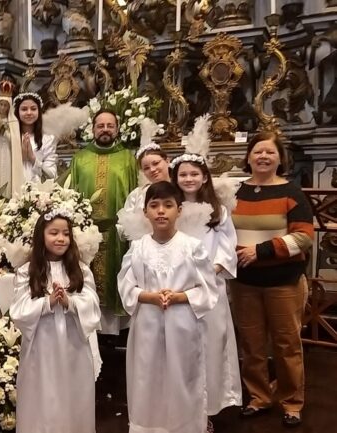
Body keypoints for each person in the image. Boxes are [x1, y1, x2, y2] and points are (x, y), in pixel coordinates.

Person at [117, 181, 218, 433]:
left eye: (168, 205)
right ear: (145, 212)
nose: (161, 211)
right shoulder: (138, 248)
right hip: (147, 325)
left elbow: (207, 289)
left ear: (179, 210)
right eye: (154, 205)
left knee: (184, 378)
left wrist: (180, 297)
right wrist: (148, 296)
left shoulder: (192, 247)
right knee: (147, 377)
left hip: (183, 324)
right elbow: (126, 287)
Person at [230, 132, 313, 427]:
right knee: (251, 345)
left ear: (280, 159)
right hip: (244, 282)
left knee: (286, 344)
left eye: (270, 152)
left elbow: (303, 237)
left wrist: (260, 251)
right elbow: (223, 233)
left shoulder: (291, 192)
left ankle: (292, 402)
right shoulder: (235, 192)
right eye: (258, 152)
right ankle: (258, 397)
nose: (263, 157)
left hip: (283, 281)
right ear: (249, 157)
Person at [10, 209, 101, 433]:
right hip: (41, 347)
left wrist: (70, 302)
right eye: (54, 233)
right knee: (42, 397)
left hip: (74, 346)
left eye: (66, 234)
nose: (60, 238)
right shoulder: (27, 271)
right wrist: (47, 303)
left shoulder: (80, 270)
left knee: (73, 396)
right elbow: (19, 310)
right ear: (41, 235)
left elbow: (92, 304)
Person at [171, 154, 242, 431]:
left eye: (194, 174)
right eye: (183, 175)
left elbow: (228, 246)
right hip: (178, 287)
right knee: (180, 347)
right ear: (175, 179)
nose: (189, 179)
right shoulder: (172, 208)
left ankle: (207, 409)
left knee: (210, 345)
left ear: (204, 177)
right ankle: (180, 406)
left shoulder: (218, 210)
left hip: (209, 286)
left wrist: (211, 268)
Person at [70, 108, 137, 333]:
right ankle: (91, 331)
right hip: (86, 233)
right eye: (101, 126)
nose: (105, 130)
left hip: (117, 232)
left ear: (117, 129)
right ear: (93, 129)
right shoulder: (80, 159)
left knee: (115, 279)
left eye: (110, 125)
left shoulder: (127, 158)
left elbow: (135, 193)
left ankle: (113, 334)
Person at [13, 92, 58, 182]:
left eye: (33, 109)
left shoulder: (48, 139)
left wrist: (32, 158)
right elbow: (1, 169)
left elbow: (52, 174)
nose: (29, 113)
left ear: (39, 111)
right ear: (17, 112)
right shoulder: (10, 137)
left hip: (39, 191)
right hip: (14, 189)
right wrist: (20, 157)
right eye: (24, 109)